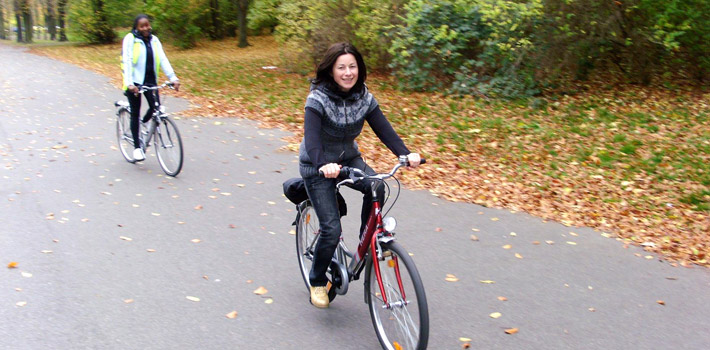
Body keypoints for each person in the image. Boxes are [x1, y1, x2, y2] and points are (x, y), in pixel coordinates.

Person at [299, 42, 421, 308]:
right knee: (331, 229)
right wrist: (322, 164)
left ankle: (367, 240)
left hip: (348, 159)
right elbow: (312, 140)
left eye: (352, 66)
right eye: (341, 67)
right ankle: (318, 280)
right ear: (331, 70)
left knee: (377, 186)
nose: (347, 72)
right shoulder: (317, 98)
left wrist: (404, 154)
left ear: (359, 69)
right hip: (317, 165)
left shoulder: (363, 96)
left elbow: (383, 128)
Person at [121, 14, 180, 161]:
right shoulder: (130, 39)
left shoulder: (154, 40)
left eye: (147, 25)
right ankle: (137, 148)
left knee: (156, 108)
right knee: (135, 112)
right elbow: (127, 61)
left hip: (150, 81)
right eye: (142, 26)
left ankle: (144, 123)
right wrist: (129, 83)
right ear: (136, 28)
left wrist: (173, 77)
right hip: (134, 82)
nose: (146, 28)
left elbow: (163, 59)